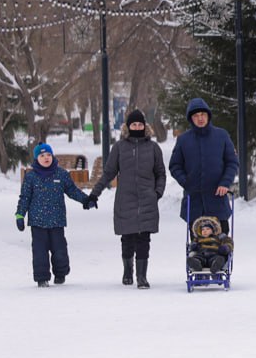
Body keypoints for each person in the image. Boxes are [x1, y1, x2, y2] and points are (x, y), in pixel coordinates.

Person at [86, 108, 166, 289]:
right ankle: (128, 270)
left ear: (145, 126)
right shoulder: (119, 147)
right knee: (128, 238)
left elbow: (160, 173)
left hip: (147, 199)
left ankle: (142, 276)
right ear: (128, 127)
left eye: (140, 124)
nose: (137, 127)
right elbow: (108, 173)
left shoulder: (153, 148)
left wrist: (157, 193)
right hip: (125, 199)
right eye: (133, 124)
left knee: (144, 238)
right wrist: (94, 194)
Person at [14, 143, 90, 287]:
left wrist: (86, 200)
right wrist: (20, 215)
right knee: (39, 252)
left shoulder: (61, 174)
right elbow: (24, 197)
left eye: (48, 155)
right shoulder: (31, 177)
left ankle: (60, 273)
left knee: (59, 250)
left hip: (57, 221)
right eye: (42, 156)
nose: (46, 158)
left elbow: (72, 191)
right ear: (37, 159)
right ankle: (42, 278)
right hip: (38, 222)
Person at [169, 97, 239, 232]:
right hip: (194, 202)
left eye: (202, 114)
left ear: (208, 115)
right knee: (197, 246)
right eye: (196, 115)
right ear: (191, 118)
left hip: (217, 201)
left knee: (222, 243)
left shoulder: (222, 136)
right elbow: (175, 165)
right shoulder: (183, 140)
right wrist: (186, 181)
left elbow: (232, 162)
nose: (200, 118)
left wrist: (225, 182)